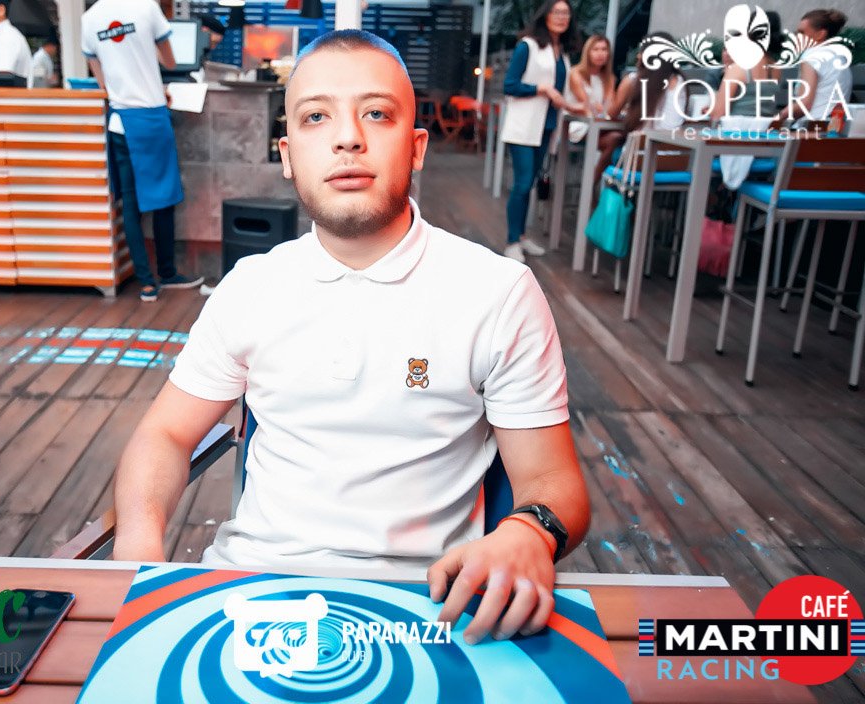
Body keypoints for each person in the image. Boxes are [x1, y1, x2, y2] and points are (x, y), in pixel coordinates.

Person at [113, 30, 590, 643]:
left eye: (377, 114)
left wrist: (529, 532)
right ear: (288, 154)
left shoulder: (497, 293)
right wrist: (139, 551)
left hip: (429, 608)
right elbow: (165, 434)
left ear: (416, 147)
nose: (347, 138)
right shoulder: (251, 286)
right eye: (316, 117)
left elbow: (554, 482)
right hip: (248, 596)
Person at [82, 0, 203, 301]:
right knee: (164, 198)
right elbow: (171, 62)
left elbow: (101, 81)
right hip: (150, 119)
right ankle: (168, 273)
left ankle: (147, 284)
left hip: (120, 122)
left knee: (131, 204)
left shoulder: (89, 18)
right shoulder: (146, 7)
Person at [499, 0, 579, 263]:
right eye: (557, 12)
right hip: (524, 126)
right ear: (545, 15)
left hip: (547, 126)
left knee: (530, 184)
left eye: (566, 13)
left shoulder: (562, 53)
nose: (562, 17)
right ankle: (512, 242)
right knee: (522, 184)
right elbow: (510, 85)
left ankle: (521, 236)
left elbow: (561, 91)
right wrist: (541, 89)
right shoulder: (528, 46)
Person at [597, 34, 686, 183]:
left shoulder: (633, 80)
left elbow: (610, 114)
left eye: (641, 51)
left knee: (613, 147)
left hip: (639, 160)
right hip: (676, 161)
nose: (638, 55)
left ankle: (591, 190)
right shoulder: (680, 82)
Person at [776, 8, 851, 124]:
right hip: (835, 127)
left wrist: (776, 118)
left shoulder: (812, 56)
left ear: (820, 34)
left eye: (802, 32)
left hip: (811, 127)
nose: (797, 37)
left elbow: (804, 104)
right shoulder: (840, 57)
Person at [708, 11, 783, 122]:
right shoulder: (776, 69)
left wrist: (712, 110)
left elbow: (717, 114)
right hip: (764, 131)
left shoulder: (738, 69)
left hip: (735, 130)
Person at [568, 34, 615, 120]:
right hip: (577, 120)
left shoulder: (609, 78)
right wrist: (599, 109)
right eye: (595, 49)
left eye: (604, 49)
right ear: (588, 52)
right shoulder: (575, 73)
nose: (600, 54)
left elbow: (609, 105)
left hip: (599, 120)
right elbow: (585, 103)